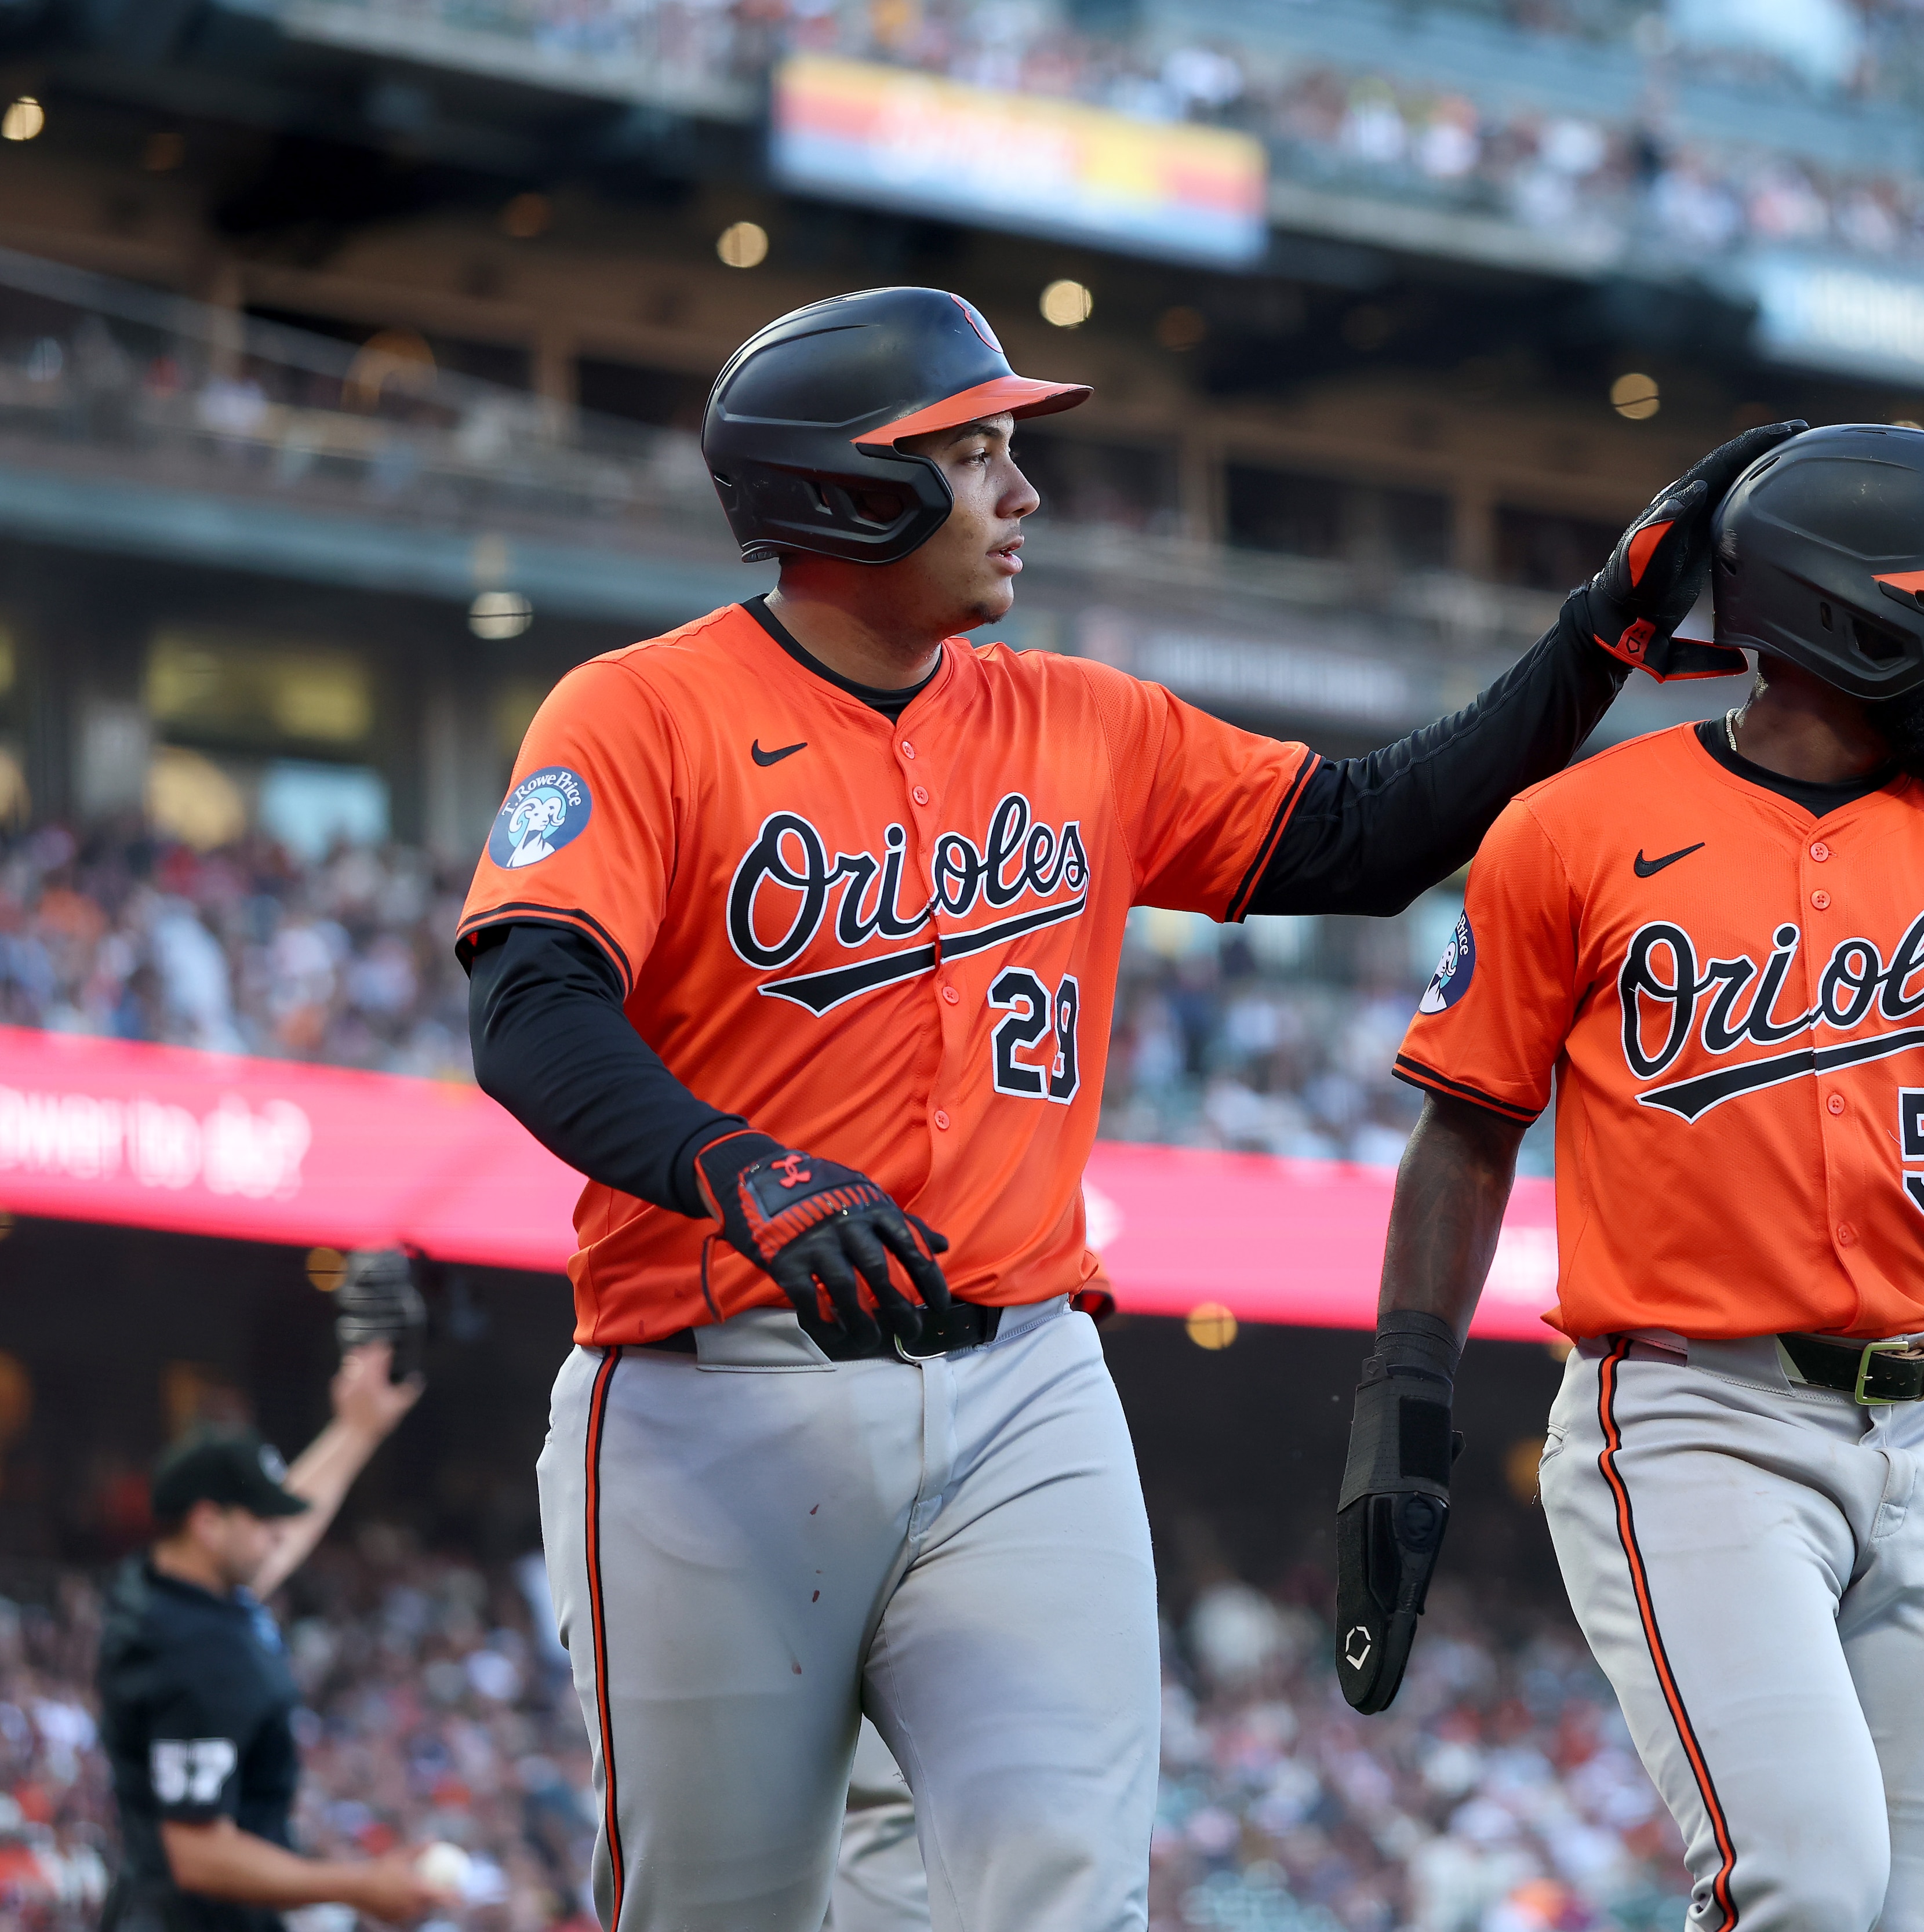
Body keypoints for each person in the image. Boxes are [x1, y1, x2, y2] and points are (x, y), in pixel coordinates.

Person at [457, 281, 1798, 1932]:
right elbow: (530, 1010)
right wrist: (733, 1166)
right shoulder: (639, 709)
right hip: (708, 1397)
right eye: (978, 456)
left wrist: (1597, 631)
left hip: (1027, 1389)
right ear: (847, 488)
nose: (1023, 495)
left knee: (1069, 1897)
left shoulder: (1077, 719)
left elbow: (1371, 833)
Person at [1338, 424, 1924, 1931]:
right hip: (1691, 1415)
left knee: (1888, 1914)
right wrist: (1407, 1390)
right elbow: (1465, 1128)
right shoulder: (1579, 828)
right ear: (1852, 613)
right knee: (1807, 1884)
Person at [97, 1343, 447, 1932]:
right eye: (260, 1518)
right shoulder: (193, 1654)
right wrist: (362, 1885)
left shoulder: (170, 1589)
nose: (278, 1533)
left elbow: (283, 1538)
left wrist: (357, 1429)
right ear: (208, 1522)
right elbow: (198, 1855)